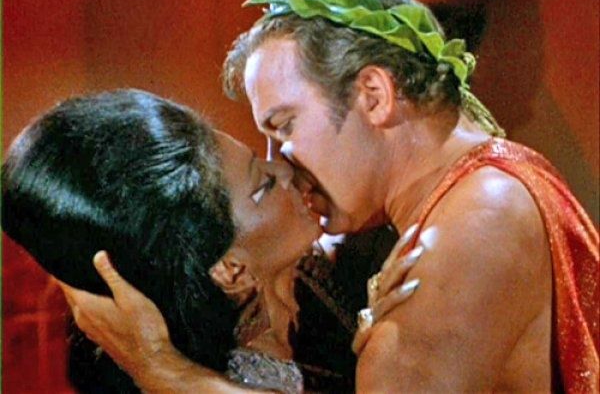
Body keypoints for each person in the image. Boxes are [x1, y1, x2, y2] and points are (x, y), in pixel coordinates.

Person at [61, 0, 599, 393]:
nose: (280, 159)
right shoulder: (483, 188)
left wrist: (166, 373)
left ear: (374, 96)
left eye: (284, 125)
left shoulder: (468, 227)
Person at [2, 89, 420, 392]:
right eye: (263, 186)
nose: (285, 170)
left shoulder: (321, 279)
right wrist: (163, 370)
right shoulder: (211, 376)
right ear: (231, 270)